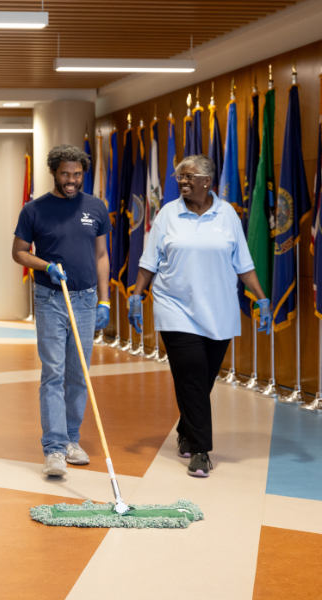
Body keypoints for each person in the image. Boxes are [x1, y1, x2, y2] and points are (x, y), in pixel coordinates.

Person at [128, 154, 272, 478]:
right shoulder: (168, 214)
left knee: (203, 378)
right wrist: (136, 295)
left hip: (219, 311)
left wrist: (261, 299)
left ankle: (186, 430)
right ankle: (201, 450)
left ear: (208, 181)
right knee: (191, 373)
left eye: (190, 177)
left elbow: (243, 263)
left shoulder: (228, 215)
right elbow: (149, 260)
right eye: (180, 176)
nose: (182, 181)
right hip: (174, 306)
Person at [12, 144, 112, 477]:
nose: (71, 180)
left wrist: (105, 299)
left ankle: (72, 440)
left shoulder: (96, 207)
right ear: (54, 172)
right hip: (50, 297)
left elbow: (101, 256)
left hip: (85, 300)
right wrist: (45, 266)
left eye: (77, 174)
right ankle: (54, 449)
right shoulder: (34, 210)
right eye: (66, 174)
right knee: (53, 373)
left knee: (78, 372)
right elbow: (19, 253)